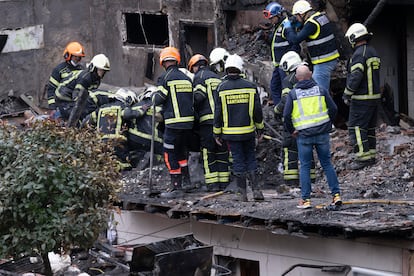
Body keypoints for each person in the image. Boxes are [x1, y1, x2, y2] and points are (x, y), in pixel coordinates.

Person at [283, 65, 341, 209]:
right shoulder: (321, 90)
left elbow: (285, 115)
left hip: (303, 135)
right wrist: (328, 124)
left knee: (305, 166)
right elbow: (333, 109)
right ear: (310, 75)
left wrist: (292, 131)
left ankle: (306, 200)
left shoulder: (293, 94)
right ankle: (336, 195)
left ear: (297, 78)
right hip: (322, 133)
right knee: (327, 164)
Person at [213, 54, 265, 202]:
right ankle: (257, 191)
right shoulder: (250, 86)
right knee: (251, 159)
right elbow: (257, 111)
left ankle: (242, 194)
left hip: (230, 134)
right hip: (248, 132)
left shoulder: (221, 88)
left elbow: (218, 113)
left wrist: (216, 133)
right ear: (240, 68)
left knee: (238, 161)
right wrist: (260, 129)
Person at [152, 46, 194, 198]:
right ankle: (187, 181)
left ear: (163, 61)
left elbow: (159, 99)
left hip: (174, 123)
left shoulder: (165, 78)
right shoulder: (187, 78)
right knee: (181, 151)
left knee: (169, 152)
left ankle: (176, 187)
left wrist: (153, 95)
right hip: (188, 123)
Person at [189, 54, 230, 192]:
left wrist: (189, 106)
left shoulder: (199, 77)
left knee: (208, 151)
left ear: (195, 66)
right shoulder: (217, 77)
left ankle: (212, 184)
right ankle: (224, 182)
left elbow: (199, 96)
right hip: (222, 121)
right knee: (222, 150)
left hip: (207, 121)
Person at [274, 51, 316, 186]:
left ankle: (291, 181)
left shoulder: (289, 80)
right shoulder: (310, 78)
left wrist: (277, 110)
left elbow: (285, 100)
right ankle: (311, 179)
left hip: (293, 120)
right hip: (309, 121)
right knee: (307, 149)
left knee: (290, 149)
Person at [343, 23, 381, 170]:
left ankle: (362, 158)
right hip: (374, 97)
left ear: (354, 38)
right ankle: (371, 156)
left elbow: (356, 75)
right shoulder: (373, 52)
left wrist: (347, 93)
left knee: (356, 127)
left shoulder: (359, 54)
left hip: (362, 98)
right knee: (369, 128)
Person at [284, 0, 339, 92]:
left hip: (323, 62)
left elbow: (295, 40)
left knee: (319, 92)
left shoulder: (311, 24)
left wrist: (288, 27)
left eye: (296, 16)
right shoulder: (320, 17)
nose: (296, 18)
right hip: (330, 58)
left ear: (302, 14)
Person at [84, 88, 138, 171]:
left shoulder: (101, 108)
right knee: (127, 164)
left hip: (100, 143)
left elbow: (87, 122)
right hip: (117, 143)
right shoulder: (124, 108)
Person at [55, 53, 110, 127]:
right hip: (64, 99)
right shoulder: (86, 78)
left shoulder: (96, 80)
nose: (102, 73)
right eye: (101, 70)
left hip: (69, 99)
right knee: (82, 111)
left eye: (104, 71)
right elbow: (77, 96)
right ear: (93, 68)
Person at [263, 2, 300, 105]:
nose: (270, 20)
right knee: (274, 87)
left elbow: (295, 43)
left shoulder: (285, 27)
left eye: (272, 18)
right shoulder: (278, 26)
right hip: (278, 65)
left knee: (286, 89)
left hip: (285, 66)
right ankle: (279, 110)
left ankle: (286, 111)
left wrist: (291, 61)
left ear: (278, 15)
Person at [123, 86, 164, 168]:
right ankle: (157, 160)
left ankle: (134, 158)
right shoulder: (161, 108)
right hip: (154, 142)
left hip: (135, 140)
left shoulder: (136, 106)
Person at [47, 41, 85, 115]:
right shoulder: (59, 70)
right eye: (75, 56)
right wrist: (52, 108)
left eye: (79, 57)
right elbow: (51, 90)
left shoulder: (81, 70)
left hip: (76, 105)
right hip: (61, 105)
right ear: (68, 55)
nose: (77, 59)